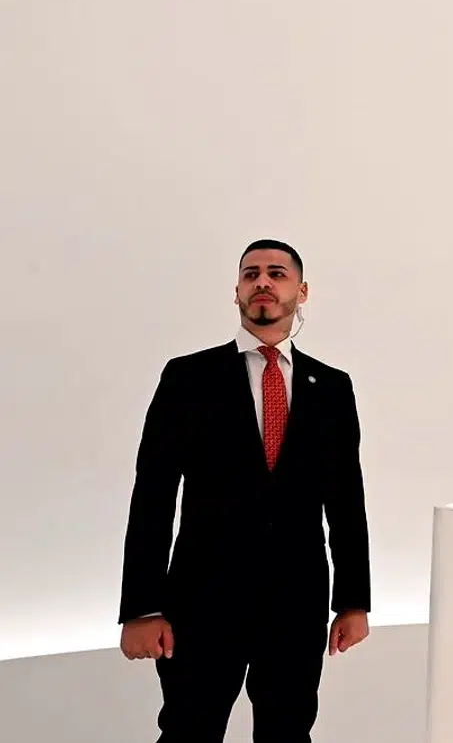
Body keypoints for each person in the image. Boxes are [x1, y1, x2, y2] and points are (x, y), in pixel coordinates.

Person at [118, 239, 372, 742]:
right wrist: (143, 608)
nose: (263, 283)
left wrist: (353, 600)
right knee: (189, 730)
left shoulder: (332, 387)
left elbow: (346, 498)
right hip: (203, 598)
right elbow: (152, 496)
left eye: (277, 273)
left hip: (296, 599)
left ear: (301, 291)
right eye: (251, 274)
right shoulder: (188, 378)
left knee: (288, 731)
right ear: (236, 291)